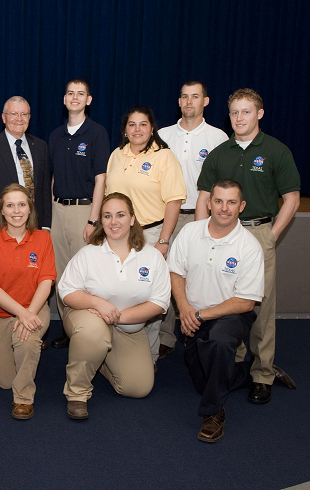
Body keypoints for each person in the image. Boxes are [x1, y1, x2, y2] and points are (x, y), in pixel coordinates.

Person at [196, 88, 300, 404]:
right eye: (234, 113)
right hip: (222, 235)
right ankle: (235, 365)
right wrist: (203, 235)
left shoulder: (276, 151)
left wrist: (270, 237)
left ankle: (262, 373)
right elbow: (203, 198)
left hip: (258, 234)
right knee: (228, 302)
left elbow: (292, 199)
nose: (239, 118)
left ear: (259, 114)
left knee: (261, 306)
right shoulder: (219, 153)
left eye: (246, 112)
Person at [58, 193, 170, 420]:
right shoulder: (88, 253)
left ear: (132, 219)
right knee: (93, 333)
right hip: (88, 317)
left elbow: (159, 302)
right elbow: (67, 291)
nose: (114, 221)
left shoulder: (152, 257)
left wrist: (118, 317)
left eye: (120, 215)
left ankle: (95, 359)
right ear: (101, 221)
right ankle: (77, 392)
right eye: (107, 216)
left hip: (128, 327)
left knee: (138, 388)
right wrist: (98, 303)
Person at [169, 179, 264, 442]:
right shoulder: (190, 232)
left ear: (241, 206)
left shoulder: (249, 247)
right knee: (204, 382)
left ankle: (213, 414)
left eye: (231, 202)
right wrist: (186, 309)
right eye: (219, 201)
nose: (224, 208)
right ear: (209, 203)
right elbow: (176, 272)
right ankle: (248, 372)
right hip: (194, 314)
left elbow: (246, 302)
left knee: (220, 342)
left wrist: (199, 315)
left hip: (230, 316)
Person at [105, 105, 186, 365]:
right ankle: (116, 349)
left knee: (149, 296)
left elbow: (173, 202)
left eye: (143, 124)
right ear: (125, 130)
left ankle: (149, 357)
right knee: (119, 291)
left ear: (152, 128)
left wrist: (163, 241)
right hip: (118, 235)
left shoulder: (165, 157)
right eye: (132, 124)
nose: (137, 129)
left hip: (151, 235)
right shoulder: (116, 155)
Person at [157, 81, 228, 359]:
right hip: (166, 217)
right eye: (185, 97)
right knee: (165, 278)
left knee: (198, 278)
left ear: (205, 102)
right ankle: (164, 336)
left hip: (202, 218)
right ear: (179, 101)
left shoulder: (218, 137)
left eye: (195, 97)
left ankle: (198, 333)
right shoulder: (162, 135)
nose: (189, 102)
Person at [0, 184, 56, 419]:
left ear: (30, 209)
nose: (16, 211)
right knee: (5, 381)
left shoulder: (42, 238)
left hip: (34, 306)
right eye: (9, 205)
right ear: (1, 211)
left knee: (27, 340)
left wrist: (28, 313)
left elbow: (46, 281)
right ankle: (25, 355)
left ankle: (23, 398)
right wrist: (21, 313)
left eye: (22, 204)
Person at [49, 79, 110, 349]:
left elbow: (101, 180)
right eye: (70, 93)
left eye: (80, 94)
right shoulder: (55, 135)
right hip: (58, 210)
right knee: (62, 274)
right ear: (64, 100)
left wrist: (93, 220)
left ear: (89, 99)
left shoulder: (97, 133)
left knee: (85, 275)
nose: (75, 98)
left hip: (84, 211)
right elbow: (53, 176)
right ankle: (69, 326)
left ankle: (89, 330)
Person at [0, 96, 51, 236]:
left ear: (29, 117)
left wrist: (46, 225)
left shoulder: (40, 147)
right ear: (3, 117)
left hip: (34, 226)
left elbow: (44, 190)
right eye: (13, 114)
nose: (19, 118)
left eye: (24, 114)